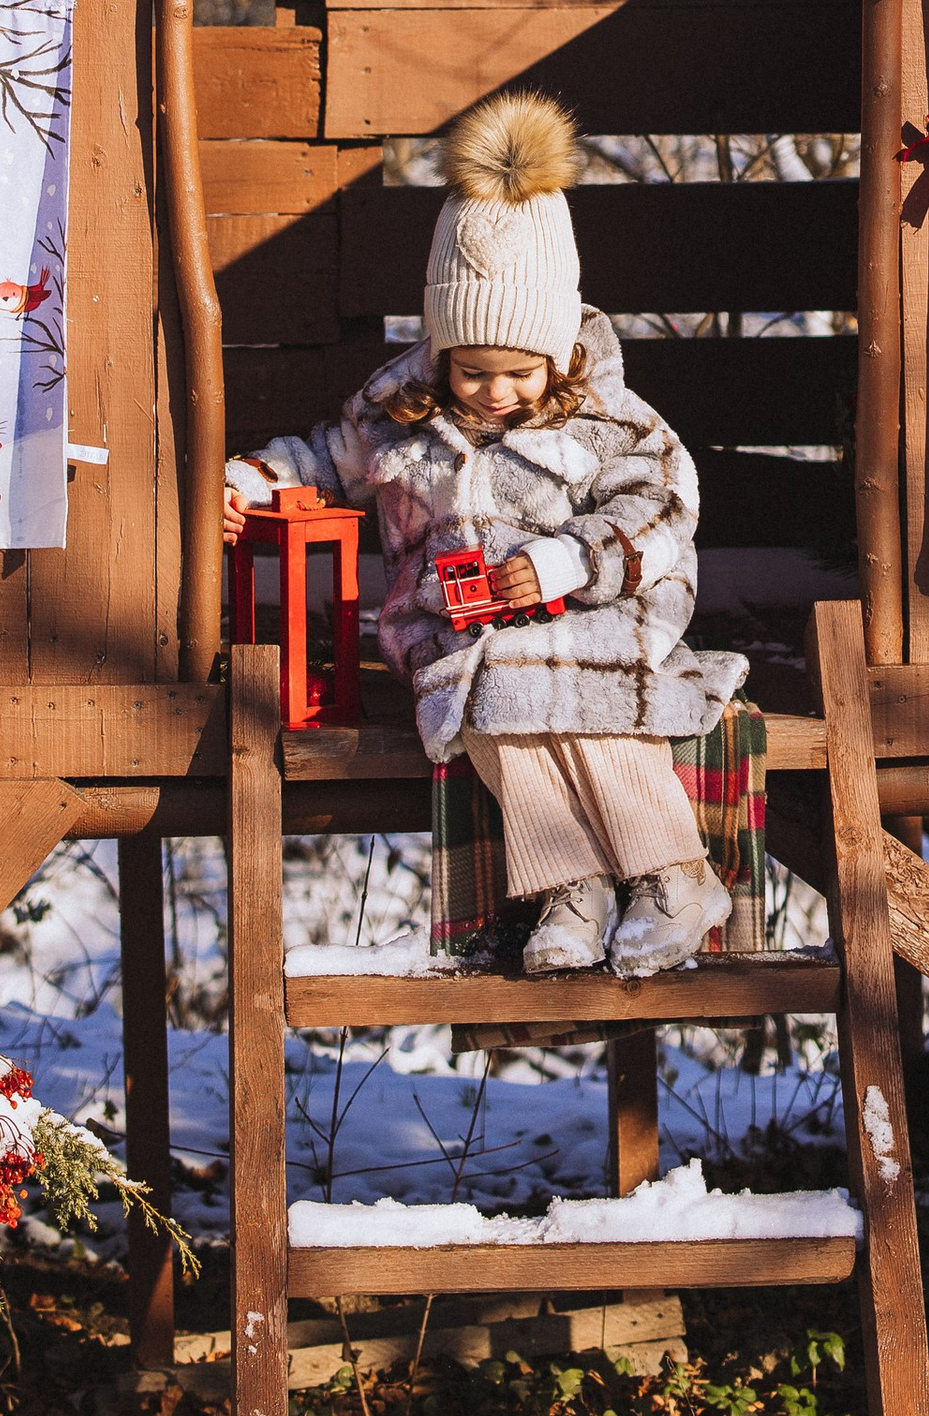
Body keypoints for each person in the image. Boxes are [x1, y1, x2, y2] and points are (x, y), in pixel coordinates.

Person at [222, 90, 737, 980]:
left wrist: (566, 562)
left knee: (590, 702)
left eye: (518, 372)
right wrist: (252, 480)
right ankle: (570, 888)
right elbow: (326, 455)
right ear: (441, 350)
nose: (495, 392)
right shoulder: (401, 414)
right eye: (473, 370)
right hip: (464, 627)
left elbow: (663, 507)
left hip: (597, 610)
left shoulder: (610, 422)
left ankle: (673, 875)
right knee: (490, 696)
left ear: (558, 356)